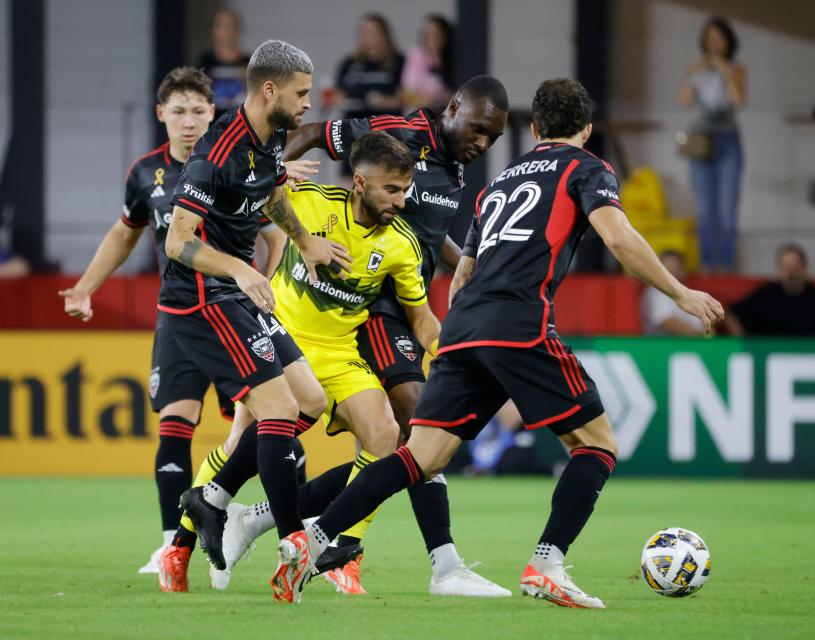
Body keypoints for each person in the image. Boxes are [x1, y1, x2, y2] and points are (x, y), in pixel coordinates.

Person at [294, 78, 723, 609]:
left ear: (536, 129)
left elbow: (466, 270)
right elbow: (616, 237)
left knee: (421, 456)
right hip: (520, 323)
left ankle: (309, 542)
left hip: (465, 325)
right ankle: (547, 563)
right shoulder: (586, 167)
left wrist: (457, 338)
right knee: (597, 444)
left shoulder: (499, 183)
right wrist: (679, 292)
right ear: (585, 130)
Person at [208, 132, 509, 599]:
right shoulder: (311, 202)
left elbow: (421, 316)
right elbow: (259, 194)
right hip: (282, 339)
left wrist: (447, 350)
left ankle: (297, 534)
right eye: (392, 190)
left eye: (406, 190)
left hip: (340, 351)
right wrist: (285, 178)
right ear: (359, 182)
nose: (401, 200)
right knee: (251, 436)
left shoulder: (401, 244)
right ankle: (200, 524)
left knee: (386, 436)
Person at [277, 74, 509, 594]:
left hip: (409, 304)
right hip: (376, 306)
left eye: (492, 138)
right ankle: (438, 565)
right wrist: (276, 172)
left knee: (399, 446)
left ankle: (269, 518)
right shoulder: (401, 129)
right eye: (478, 130)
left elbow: (424, 238)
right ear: (453, 108)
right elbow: (317, 131)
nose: (482, 143)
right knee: (423, 424)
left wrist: (466, 261)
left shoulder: (453, 169)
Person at [57, 67, 292, 576]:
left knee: (256, 425)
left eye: (199, 112)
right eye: (179, 112)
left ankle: (221, 522)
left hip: (232, 311)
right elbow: (124, 234)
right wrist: (86, 287)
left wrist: (258, 287)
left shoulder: (235, 160)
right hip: (181, 316)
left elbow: (276, 235)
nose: (189, 123)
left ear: (215, 115)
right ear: (161, 114)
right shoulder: (147, 173)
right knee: (175, 423)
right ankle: (172, 543)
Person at [157, 40, 353, 603]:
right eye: (301, 94)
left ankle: (207, 504)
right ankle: (294, 540)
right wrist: (240, 271)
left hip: (231, 292)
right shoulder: (214, 152)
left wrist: (304, 239)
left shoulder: (271, 136)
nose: (308, 104)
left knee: (311, 401)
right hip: (200, 298)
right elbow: (177, 242)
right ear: (270, 90)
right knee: (278, 409)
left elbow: (269, 195)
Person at [678, 16, 746, 273]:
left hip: (728, 139)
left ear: (728, 42)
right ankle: (707, 262)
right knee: (705, 209)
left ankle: (725, 264)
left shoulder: (737, 69)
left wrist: (724, 69)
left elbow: (738, 100)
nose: (715, 44)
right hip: (702, 141)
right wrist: (695, 73)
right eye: (710, 39)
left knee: (727, 208)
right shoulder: (697, 70)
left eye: (720, 39)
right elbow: (684, 100)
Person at [724, 244, 815, 336]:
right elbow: (730, 313)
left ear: (804, 268)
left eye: (795, 267)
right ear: (779, 269)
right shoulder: (766, 296)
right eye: (786, 267)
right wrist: (740, 339)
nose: (791, 273)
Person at [335, 14, 405, 122]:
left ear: (384, 34)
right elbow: (338, 95)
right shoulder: (349, 63)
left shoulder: (399, 62)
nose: (369, 38)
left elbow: (406, 98)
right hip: (352, 124)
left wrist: (384, 102)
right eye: (365, 33)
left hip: (386, 126)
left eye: (374, 33)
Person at [196, 8, 250, 120]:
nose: (226, 30)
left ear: (238, 30)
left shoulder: (250, 62)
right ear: (213, 31)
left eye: (230, 25)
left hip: (242, 125)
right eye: (221, 25)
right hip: (212, 126)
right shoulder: (205, 62)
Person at [643, 251, 705, 336]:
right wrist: (698, 335)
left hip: (696, 343)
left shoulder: (686, 291)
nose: (672, 272)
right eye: (668, 268)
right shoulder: (658, 291)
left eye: (676, 267)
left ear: (682, 270)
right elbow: (666, 321)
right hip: (668, 345)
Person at [401, 15, 454, 111]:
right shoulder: (416, 55)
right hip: (418, 115)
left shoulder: (451, 59)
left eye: (434, 34)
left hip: (444, 115)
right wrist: (431, 101)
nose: (427, 39)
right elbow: (408, 93)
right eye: (425, 34)